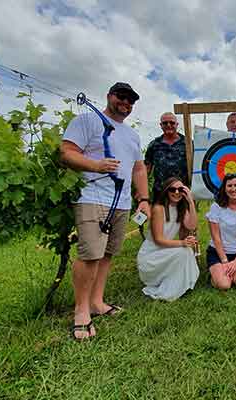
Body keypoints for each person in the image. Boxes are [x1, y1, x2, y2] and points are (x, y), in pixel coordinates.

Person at [61, 82, 150, 340]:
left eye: (131, 100)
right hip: (93, 197)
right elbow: (66, 153)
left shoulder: (132, 136)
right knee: (90, 254)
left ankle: (97, 302)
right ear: (109, 96)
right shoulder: (87, 121)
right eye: (121, 97)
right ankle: (81, 311)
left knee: (107, 254)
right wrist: (96, 166)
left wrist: (143, 198)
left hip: (121, 202)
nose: (126, 103)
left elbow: (138, 169)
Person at [137, 177, 199, 301]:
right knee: (184, 251)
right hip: (151, 256)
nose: (177, 192)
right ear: (166, 190)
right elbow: (158, 240)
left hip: (164, 253)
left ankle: (177, 285)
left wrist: (191, 202)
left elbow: (192, 225)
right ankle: (169, 289)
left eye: (180, 189)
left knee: (186, 251)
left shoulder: (181, 209)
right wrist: (182, 242)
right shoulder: (159, 208)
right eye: (172, 189)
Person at [145, 112, 188, 201]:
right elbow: (146, 170)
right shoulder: (154, 145)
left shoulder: (188, 144)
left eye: (172, 123)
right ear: (161, 125)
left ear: (177, 125)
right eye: (165, 123)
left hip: (181, 192)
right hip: (160, 192)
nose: (168, 125)